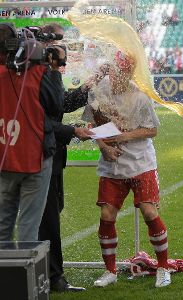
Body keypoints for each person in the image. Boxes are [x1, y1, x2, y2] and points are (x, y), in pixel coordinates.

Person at [82, 52, 171, 288]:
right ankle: (110, 271)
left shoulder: (140, 96)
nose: (116, 77)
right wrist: (103, 148)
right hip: (111, 163)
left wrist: (123, 136)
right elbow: (91, 126)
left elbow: (151, 130)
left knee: (149, 212)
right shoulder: (97, 91)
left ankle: (163, 267)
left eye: (122, 73)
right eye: (114, 72)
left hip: (141, 162)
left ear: (130, 73)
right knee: (106, 215)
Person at [36, 22, 95, 293]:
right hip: (39, 156)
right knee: (45, 219)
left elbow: (60, 105)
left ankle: (46, 274)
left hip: (54, 155)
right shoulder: (38, 74)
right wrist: (74, 130)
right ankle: (52, 278)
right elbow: (43, 121)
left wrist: (85, 89)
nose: (59, 47)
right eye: (56, 41)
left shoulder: (48, 72)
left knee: (52, 211)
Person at [0, 23, 63, 242]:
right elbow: (56, 105)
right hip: (34, 159)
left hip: (5, 158)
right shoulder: (36, 74)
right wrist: (54, 70)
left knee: (2, 226)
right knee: (28, 228)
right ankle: (25, 275)